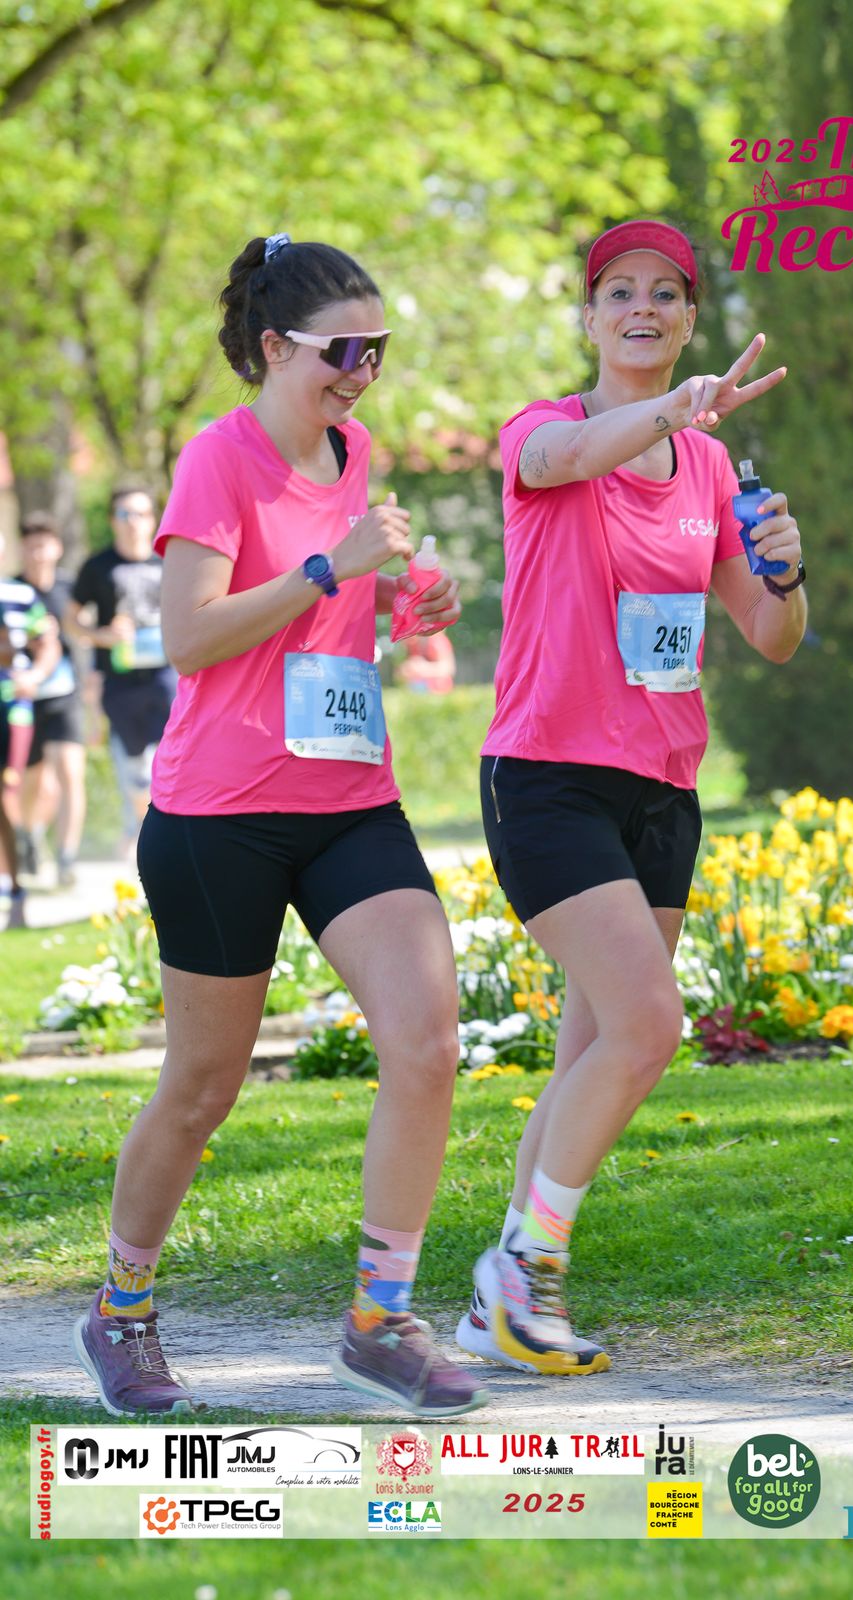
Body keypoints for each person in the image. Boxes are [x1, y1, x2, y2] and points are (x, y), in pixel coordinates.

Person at [72, 232, 485, 1419]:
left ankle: (379, 1317)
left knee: (427, 1040)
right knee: (203, 1085)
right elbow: (189, 635)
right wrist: (328, 566)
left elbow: (342, 606)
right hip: (222, 814)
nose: (363, 372)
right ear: (272, 347)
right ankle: (122, 1308)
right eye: (341, 351)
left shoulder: (358, 454)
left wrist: (405, 596)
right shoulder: (220, 457)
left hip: (349, 799)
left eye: (377, 349)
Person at [457, 220, 808, 1375]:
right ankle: (529, 1271)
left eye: (665, 293)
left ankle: (500, 1292)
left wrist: (786, 568)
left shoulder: (709, 467)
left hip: (662, 785)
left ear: (690, 318)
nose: (642, 309)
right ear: (589, 316)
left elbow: (769, 634)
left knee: (593, 1051)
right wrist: (674, 408)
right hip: (548, 776)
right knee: (649, 1023)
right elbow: (567, 457)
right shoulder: (541, 430)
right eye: (619, 292)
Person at [68, 484, 177, 859]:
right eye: (124, 514)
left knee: (169, 759)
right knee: (134, 766)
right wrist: (102, 636)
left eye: (141, 514)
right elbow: (71, 621)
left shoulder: (170, 560)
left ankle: (160, 836)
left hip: (166, 676)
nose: (133, 522)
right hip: (119, 682)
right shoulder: (98, 566)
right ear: (112, 520)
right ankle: (138, 830)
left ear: (153, 518)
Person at [16, 511, 86, 885]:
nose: (38, 554)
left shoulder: (71, 589)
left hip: (66, 694)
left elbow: (86, 634)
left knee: (70, 771)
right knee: (35, 782)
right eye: (31, 547)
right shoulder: (10, 590)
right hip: (23, 698)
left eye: (44, 546)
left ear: (57, 548)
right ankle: (28, 836)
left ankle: (66, 859)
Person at [1, 562, 60, 929]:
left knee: (7, 793)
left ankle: (15, 890)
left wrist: (35, 676)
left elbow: (47, 643)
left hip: (11, 707)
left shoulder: (20, 594)